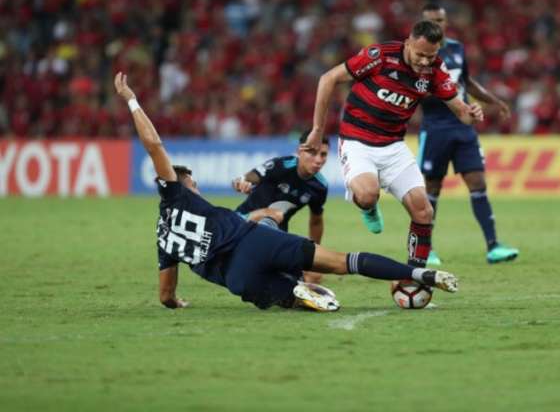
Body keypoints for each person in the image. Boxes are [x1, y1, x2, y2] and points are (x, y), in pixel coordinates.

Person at [113, 72, 459, 312]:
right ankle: (418, 274)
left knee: (281, 291)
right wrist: (131, 101)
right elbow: (154, 143)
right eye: (193, 184)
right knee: (342, 262)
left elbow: (166, 294)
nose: (196, 187)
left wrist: (175, 302)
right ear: (180, 183)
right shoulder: (177, 191)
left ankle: (291, 292)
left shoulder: (163, 240)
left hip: (238, 279)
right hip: (255, 238)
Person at [302, 20, 483, 268]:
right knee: (367, 195)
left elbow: (460, 110)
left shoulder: (435, 70)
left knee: (424, 211)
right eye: (420, 54)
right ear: (408, 43)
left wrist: (471, 113)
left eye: (431, 56)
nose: (424, 61)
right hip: (357, 140)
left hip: (393, 146)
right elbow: (328, 78)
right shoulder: (380, 56)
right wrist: (317, 130)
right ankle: (368, 207)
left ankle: (415, 274)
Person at [418, 4, 519, 265]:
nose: (437, 25)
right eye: (431, 21)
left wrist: (494, 100)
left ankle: (493, 246)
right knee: (431, 189)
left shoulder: (456, 48)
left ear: (446, 21)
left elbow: (467, 82)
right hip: (435, 127)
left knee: (477, 182)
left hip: (463, 128)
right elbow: (416, 89)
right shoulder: (417, 54)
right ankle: (425, 249)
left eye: (440, 20)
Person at [231, 130, 329, 283]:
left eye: (323, 155)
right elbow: (248, 177)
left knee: (314, 276)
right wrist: (241, 182)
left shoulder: (319, 186)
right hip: (243, 224)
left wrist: (314, 254)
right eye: (312, 153)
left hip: (276, 236)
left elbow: (316, 220)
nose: (318, 160)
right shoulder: (280, 165)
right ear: (300, 151)